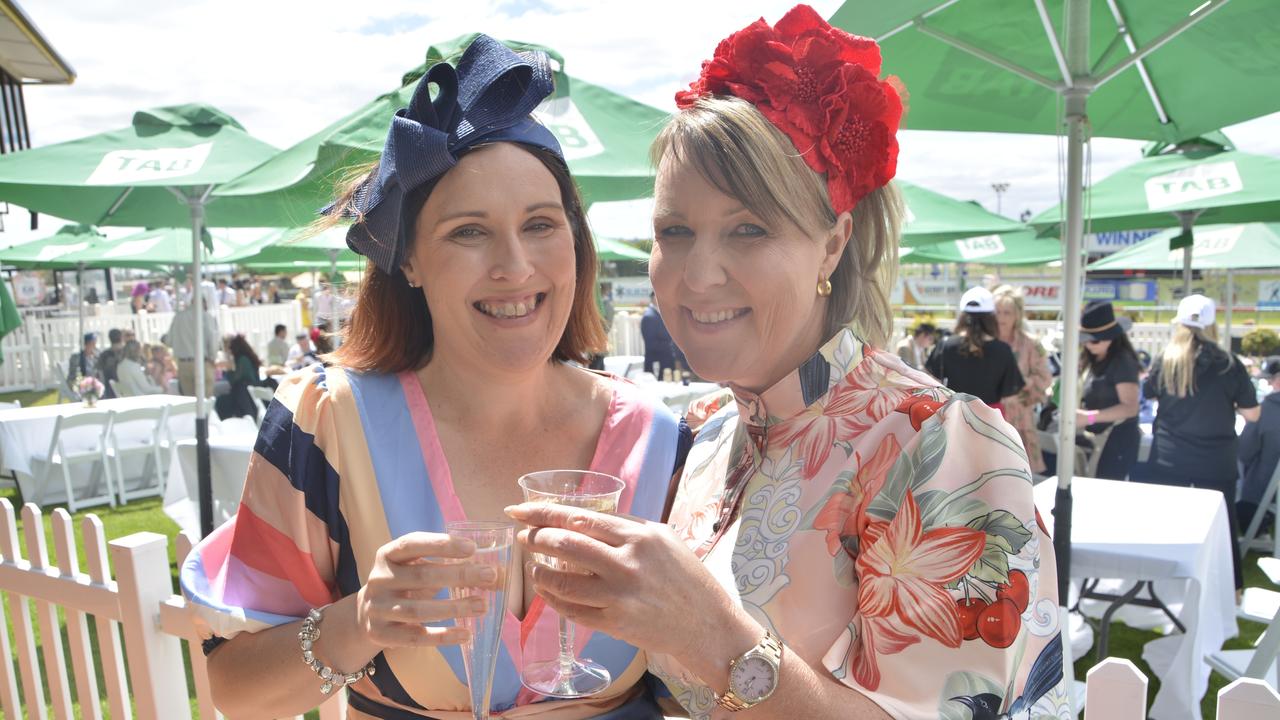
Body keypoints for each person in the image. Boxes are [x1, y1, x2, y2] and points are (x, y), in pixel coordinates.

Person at [508, 8, 1067, 718]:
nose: (697, 274)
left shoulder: (939, 447)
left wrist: (717, 639)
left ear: (832, 245)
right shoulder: (710, 434)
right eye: (674, 232)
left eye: (748, 229)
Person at [180, 35, 687, 720]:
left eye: (540, 224)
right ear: (409, 260)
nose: (514, 266)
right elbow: (235, 691)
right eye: (468, 232)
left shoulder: (664, 444)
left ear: (575, 241)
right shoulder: (329, 423)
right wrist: (358, 621)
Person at [1144, 295, 1259, 591]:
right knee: (1222, 524)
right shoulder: (1229, 364)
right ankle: (1230, 588)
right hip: (1215, 457)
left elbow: (1151, 394)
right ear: (1212, 326)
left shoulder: (1166, 360)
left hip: (1171, 454)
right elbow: (1252, 413)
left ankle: (1160, 586)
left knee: (1166, 522)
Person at [925, 287, 1025, 410]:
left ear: (962, 316)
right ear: (991, 317)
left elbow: (931, 382)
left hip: (954, 416)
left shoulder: (945, 345)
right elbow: (1011, 395)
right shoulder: (1003, 350)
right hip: (990, 420)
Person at [1076, 300, 1142, 480]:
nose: (1089, 344)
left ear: (1111, 336)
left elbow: (1130, 407)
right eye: (1085, 338)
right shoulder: (1092, 358)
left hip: (1116, 443)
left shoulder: (1122, 361)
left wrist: (1089, 417)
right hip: (1095, 442)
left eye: (1095, 339)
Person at [994, 285, 1053, 474]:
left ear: (1017, 315)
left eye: (1007, 313)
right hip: (990, 417)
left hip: (1020, 418)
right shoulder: (984, 342)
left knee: (1021, 475)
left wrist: (1022, 385)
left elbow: (1044, 378)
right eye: (997, 312)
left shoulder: (1031, 343)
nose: (1001, 318)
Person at [1240, 355, 1280, 536]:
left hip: (1266, 494)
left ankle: (1258, 529)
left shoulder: (1266, 410)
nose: (1270, 385)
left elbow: (1244, 453)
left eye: (1270, 380)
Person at [168, 295, 219, 396]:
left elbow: (169, 341)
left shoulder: (178, 317)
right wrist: (213, 357)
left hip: (183, 364)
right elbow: (213, 340)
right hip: (203, 363)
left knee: (190, 403)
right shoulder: (207, 317)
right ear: (204, 304)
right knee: (205, 401)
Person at [214, 334, 263, 420]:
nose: (229, 350)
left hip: (244, 394)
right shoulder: (245, 358)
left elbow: (234, 380)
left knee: (221, 400)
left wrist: (229, 369)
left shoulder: (242, 360)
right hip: (246, 392)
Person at [640, 291, 684, 378]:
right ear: (653, 298)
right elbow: (651, 344)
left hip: (665, 362)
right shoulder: (649, 317)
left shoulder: (660, 313)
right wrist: (672, 345)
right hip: (657, 365)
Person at [96, 328, 125, 399]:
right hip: (126, 387)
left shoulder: (104, 355)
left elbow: (99, 372)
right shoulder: (126, 353)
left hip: (109, 388)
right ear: (121, 337)